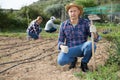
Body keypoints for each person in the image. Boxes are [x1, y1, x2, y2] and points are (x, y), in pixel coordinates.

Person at [57, 3, 101, 72]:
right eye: (71, 11)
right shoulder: (63, 25)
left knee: (91, 45)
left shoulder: (85, 22)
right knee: (61, 61)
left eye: (75, 11)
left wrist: (94, 32)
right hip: (70, 49)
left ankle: (84, 63)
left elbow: (95, 39)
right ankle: (73, 60)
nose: (73, 13)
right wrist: (62, 46)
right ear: (68, 13)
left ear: (79, 12)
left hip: (82, 48)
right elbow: (60, 40)